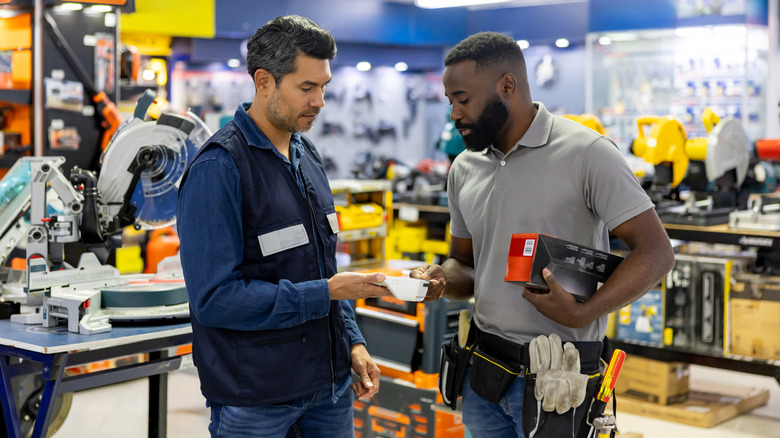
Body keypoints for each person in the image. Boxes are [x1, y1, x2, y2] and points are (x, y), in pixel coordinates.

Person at [411, 32, 675, 437]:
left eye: (463, 99)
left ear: (507, 85)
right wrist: (442, 279)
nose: (455, 114)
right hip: (483, 375)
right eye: (450, 102)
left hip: (559, 380)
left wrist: (584, 312)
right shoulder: (464, 168)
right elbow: (465, 265)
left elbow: (656, 253)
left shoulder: (588, 154)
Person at [177, 15, 392, 438]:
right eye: (307, 88)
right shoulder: (219, 168)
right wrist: (325, 294)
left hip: (329, 390)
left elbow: (323, 267)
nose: (320, 101)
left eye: (324, 86)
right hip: (258, 400)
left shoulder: (306, 155)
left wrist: (353, 341)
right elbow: (215, 299)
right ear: (264, 82)